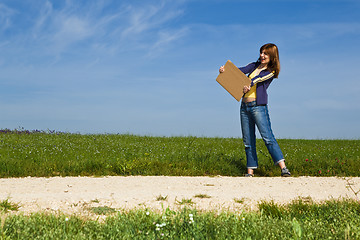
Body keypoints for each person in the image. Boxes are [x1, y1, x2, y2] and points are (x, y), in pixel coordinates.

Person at [219, 43, 290, 177]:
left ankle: (283, 168)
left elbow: (258, 79)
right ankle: (250, 172)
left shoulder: (271, 71)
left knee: (267, 137)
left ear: (272, 56)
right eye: (261, 52)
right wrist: (225, 71)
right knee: (248, 140)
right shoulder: (254, 65)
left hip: (258, 107)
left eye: (266, 53)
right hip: (244, 107)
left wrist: (248, 84)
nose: (262, 55)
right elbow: (240, 70)